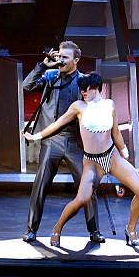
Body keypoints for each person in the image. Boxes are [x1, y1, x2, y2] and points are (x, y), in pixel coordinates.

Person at [24, 73, 139, 247]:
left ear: (96, 87)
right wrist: (36, 136)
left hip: (111, 157)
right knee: (81, 199)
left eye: (86, 89)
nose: (83, 92)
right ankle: (57, 229)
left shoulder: (109, 104)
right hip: (92, 162)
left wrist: (125, 152)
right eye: (81, 90)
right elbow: (57, 124)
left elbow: (116, 132)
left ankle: (131, 229)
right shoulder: (78, 107)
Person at [21, 41, 104, 243]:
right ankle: (31, 229)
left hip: (76, 142)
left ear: (76, 60)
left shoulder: (84, 81)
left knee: (87, 186)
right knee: (40, 185)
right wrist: (43, 65)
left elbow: (97, 107)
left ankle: (94, 231)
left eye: (65, 57)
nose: (60, 60)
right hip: (51, 140)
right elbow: (27, 85)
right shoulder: (50, 76)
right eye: (59, 56)